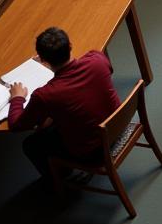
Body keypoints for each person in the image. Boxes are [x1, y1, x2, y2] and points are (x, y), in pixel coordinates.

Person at [7, 27, 121, 184]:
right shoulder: (97, 59)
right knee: (51, 122)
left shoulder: (45, 95)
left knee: (31, 144)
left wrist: (17, 98)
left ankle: (62, 180)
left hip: (93, 153)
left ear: (42, 59)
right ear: (70, 46)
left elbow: (16, 125)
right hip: (118, 127)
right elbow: (107, 70)